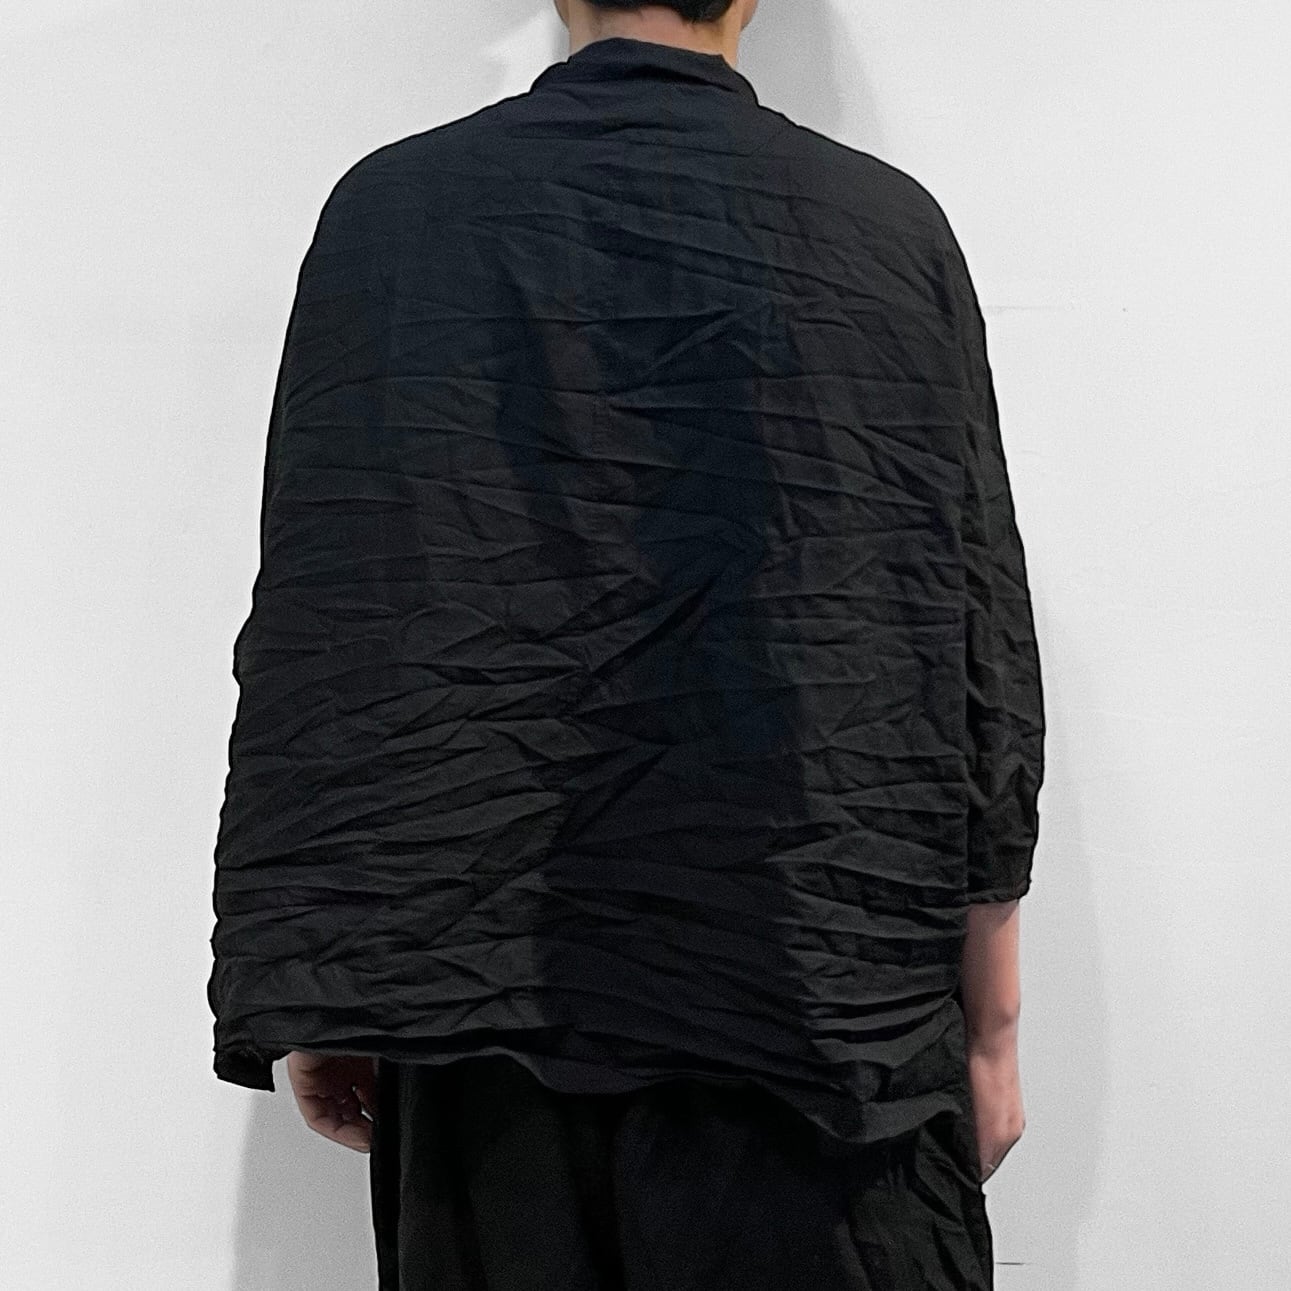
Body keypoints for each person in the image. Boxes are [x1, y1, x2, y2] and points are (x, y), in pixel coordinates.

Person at [207, 1, 1045, 1286]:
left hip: (485, 1039)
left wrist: (347, 971)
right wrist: (991, 1026)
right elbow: (972, 644)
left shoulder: (391, 216)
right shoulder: (882, 229)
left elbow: (336, 628)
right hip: (821, 1033)